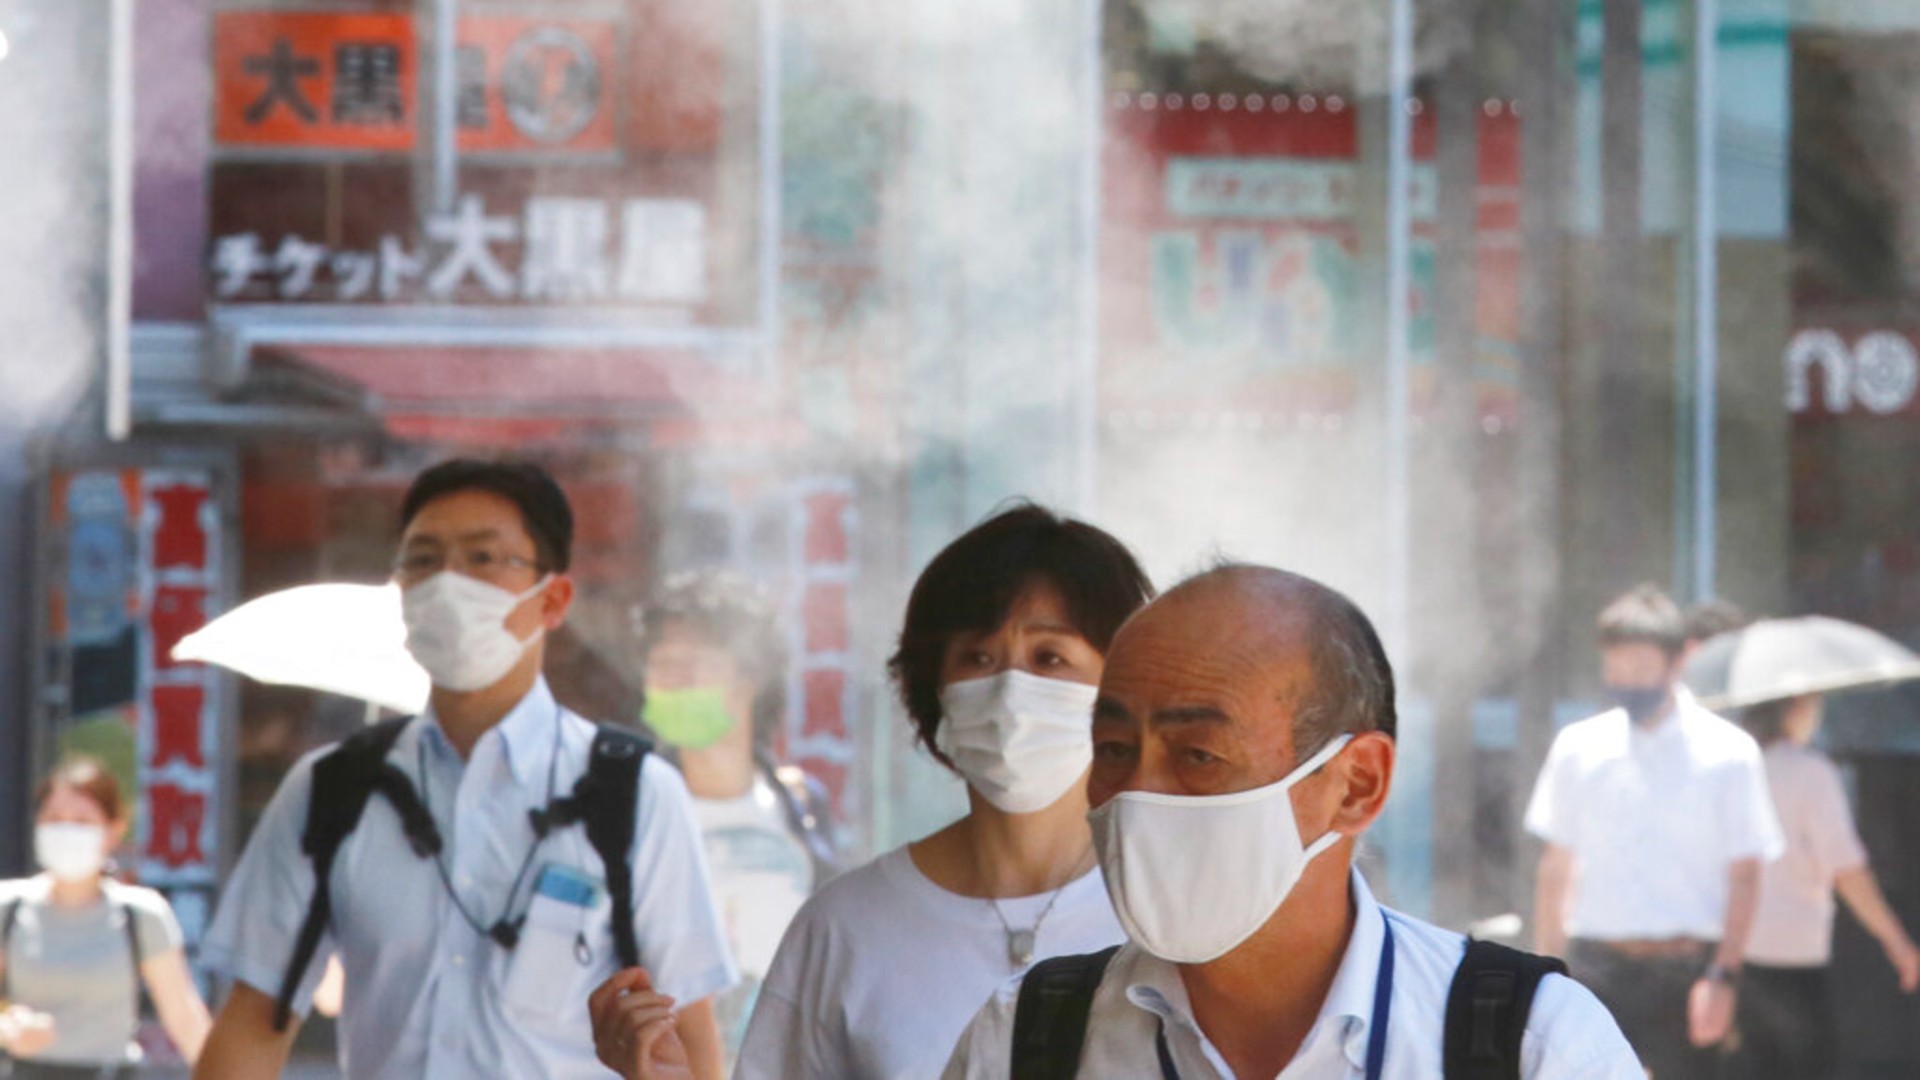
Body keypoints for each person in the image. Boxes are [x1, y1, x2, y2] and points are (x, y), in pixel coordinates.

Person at [943, 564, 1639, 1078]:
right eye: (1115, 750)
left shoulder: (1532, 1044)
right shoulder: (1026, 1040)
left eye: (1198, 754)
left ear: (1356, 785)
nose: (1136, 795)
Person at [194, 459, 735, 1080]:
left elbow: (689, 1041)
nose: (447, 584)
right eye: (422, 560)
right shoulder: (331, 790)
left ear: (552, 598)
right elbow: (253, 1025)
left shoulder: (636, 795)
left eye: (482, 559)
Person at [593, 503, 1154, 1080]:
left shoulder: (1166, 916)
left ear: (1122, 684)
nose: (1010, 689)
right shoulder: (845, 929)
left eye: (1050, 658)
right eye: (977, 657)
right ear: (933, 688)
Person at [1527, 583, 1784, 1078]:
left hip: (1687, 969)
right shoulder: (1579, 748)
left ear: (1677, 662)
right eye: (1617, 668)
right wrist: (1547, 972)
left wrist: (1723, 976)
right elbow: (1556, 866)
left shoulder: (1728, 753)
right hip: (1596, 966)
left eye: (1641, 668)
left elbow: (1747, 875)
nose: (1629, 681)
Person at [635, 571, 845, 1060]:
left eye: (695, 664)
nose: (675, 680)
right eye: (661, 664)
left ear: (750, 679)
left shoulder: (800, 807)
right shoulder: (632, 808)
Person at [1727, 693, 1920, 1080]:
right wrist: (1896, 941)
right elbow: (1846, 869)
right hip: (1794, 963)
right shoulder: (1808, 771)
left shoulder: (1729, 768)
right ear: (1796, 706)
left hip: (1724, 961)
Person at [0, 758, 212, 1077]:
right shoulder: (9, 906)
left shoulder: (140, 914)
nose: (67, 831)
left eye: (82, 821)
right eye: (55, 819)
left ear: (114, 829)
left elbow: (184, 1017)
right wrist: (7, 1025)